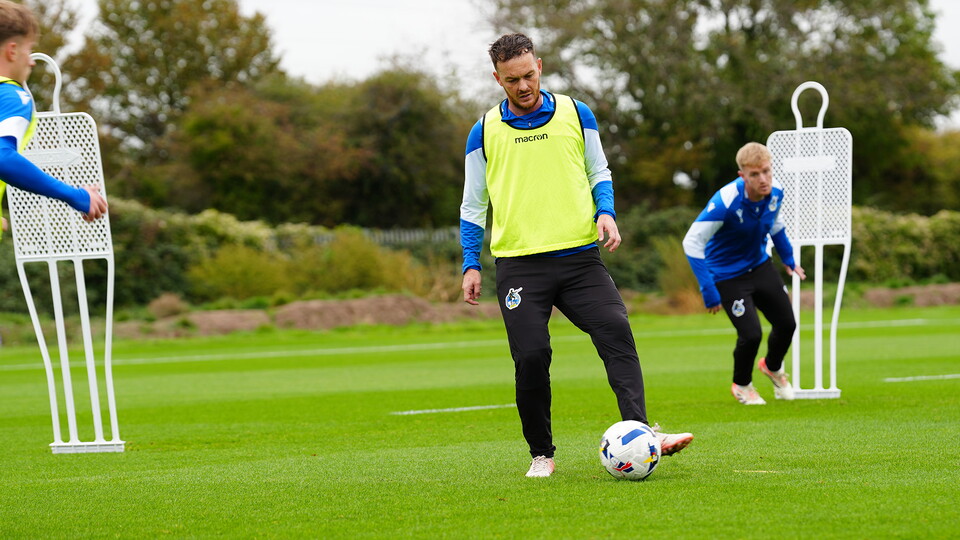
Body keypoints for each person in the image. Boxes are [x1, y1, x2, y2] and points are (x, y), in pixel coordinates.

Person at [460, 33, 693, 478]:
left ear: (540, 66)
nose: (524, 86)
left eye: (529, 75)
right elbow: (473, 206)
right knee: (531, 356)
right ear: (497, 79)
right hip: (520, 264)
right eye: (513, 80)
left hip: (579, 258)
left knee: (616, 330)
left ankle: (643, 431)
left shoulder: (575, 112)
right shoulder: (484, 130)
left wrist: (606, 212)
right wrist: (471, 261)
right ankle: (541, 453)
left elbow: (597, 170)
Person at [682, 142, 805, 405]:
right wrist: (708, 288)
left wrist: (789, 258)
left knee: (787, 324)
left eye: (766, 171)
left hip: (760, 265)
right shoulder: (725, 202)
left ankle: (772, 368)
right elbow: (691, 242)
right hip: (727, 275)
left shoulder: (776, 193)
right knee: (751, 334)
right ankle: (742, 385)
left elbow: (776, 224)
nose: (763, 179)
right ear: (742, 176)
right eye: (755, 174)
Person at [0, 0, 107, 231]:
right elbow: (2, 156)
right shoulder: (11, 95)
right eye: (29, 50)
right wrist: (73, 194)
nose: (31, 61)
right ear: (12, 50)